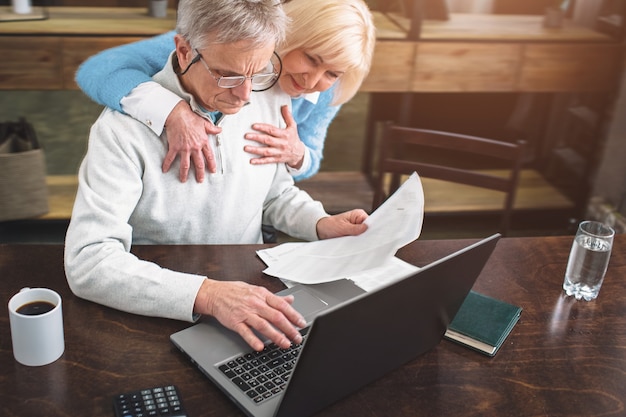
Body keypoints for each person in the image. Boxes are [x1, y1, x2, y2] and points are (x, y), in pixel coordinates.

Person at [64, 0, 368, 353]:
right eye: (229, 75)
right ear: (182, 50)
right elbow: (89, 262)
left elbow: (274, 194)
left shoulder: (263, 95)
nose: (244, 96)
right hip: (158, 307)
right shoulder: (120, 133)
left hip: (252, 295)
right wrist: (207, 294)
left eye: (257, 74)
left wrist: (320, 223)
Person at [75, 0, 376, 183]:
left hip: (256, 200)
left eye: (332, 73)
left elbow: (309, 161)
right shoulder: (227, 39)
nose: (313, 82)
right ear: (292, 34)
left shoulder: (326, 93)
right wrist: (173, 111)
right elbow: (98, 69)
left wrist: (296, 154)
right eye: (311, 59)